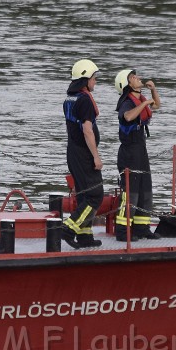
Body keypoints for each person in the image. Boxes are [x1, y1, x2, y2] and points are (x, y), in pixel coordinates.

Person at [113, 69, 162, 241]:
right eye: (133, 77)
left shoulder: (140, 98)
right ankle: (122, 231)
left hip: (141, 149)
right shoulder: (127, 102)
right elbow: (127, 117)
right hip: (129, 151)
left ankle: (142, 227)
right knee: (131, 192)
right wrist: (143, 104)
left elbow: (156, 105)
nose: (138, 78)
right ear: (127, 84)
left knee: (145, 189)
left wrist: (153, 90)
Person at [61, 59, 104, 248]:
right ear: (85, 79)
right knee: (95, 196)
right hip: (84, 153)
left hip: (72, 151)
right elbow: (87, 130)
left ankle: (85, 236)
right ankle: (69, 229)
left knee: (84, 196)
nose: (95, 82)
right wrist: (96, 156)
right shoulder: (85, 100)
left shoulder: (70, 98)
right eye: (94, 78)